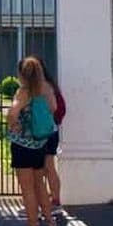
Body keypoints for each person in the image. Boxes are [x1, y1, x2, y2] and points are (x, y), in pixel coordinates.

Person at [7, 56, 57, 226]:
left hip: (23, 145)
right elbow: (53, 108)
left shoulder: (24, 92)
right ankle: (50, 222)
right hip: (40, 143)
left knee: (27, 188)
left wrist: (14, 124)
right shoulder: (46, 88)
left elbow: (12, 113)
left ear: (22, 74)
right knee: (40, 184)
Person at [37, 57, 66, 216]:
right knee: (46, 168)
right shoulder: (50, 85)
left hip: (44, 132)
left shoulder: (43, 86)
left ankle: (50, 203)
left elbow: (54, 108)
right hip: (50, 131)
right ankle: (51, 202)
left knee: (44, 168)